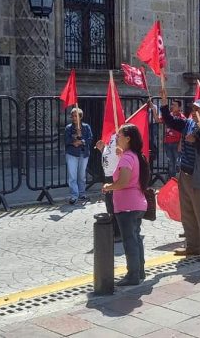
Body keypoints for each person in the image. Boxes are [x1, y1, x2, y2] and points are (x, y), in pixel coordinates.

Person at [160, 90, 200, 260]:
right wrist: (164, 105)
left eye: (198, 110)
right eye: (193, 109)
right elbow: (171, 122)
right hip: (185, 174)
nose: (194, 112)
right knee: (187, 213)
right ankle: (193, 247)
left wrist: (197, 142)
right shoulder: (188, 124)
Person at [102, 124, 150, 286]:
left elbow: (123, 182)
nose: (116, 138)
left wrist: (109, 187)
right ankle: (139, 271)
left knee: (129, 240)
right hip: (136, 204)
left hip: (127, 206)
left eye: (119, 136)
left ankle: (133, 275)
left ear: (128, 139)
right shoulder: (132, 155)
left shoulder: (127, 158)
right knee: (135, 238)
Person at [95, 134, 122, 242]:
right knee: (110, 205)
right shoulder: (110, 136)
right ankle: (114, 230)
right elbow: (109, 155)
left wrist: (122, 152)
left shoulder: (121, 135)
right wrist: (102, 150)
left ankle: (118, 232)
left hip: (116, 176)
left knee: (116, 205)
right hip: (108, 176)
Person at [65, 108, 93, 205]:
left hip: (83, 153)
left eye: (76, 116)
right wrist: (74, 142)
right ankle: (74, 195)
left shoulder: (86, 127)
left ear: (80, 117)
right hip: (72, 153)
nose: (73, 118)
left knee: (81, 175)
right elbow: (66, 140)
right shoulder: (69, 127)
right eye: (72, 116)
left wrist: (81, 141)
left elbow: (90, 139)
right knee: (72, 175)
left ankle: (82, 193)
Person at [162, 99, 185, 180]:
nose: (172, 106)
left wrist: (180, 144)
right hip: (168, 143)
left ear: (179, 107)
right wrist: (154, 109)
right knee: (170, 163)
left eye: (174, 105)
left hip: (176, 143)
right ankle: (171, 181)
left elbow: (183, 132)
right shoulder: (169, 116)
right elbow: (158, 120)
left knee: (177, 163)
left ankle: (177, 180)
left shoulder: (182, 118)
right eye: (171, 104)